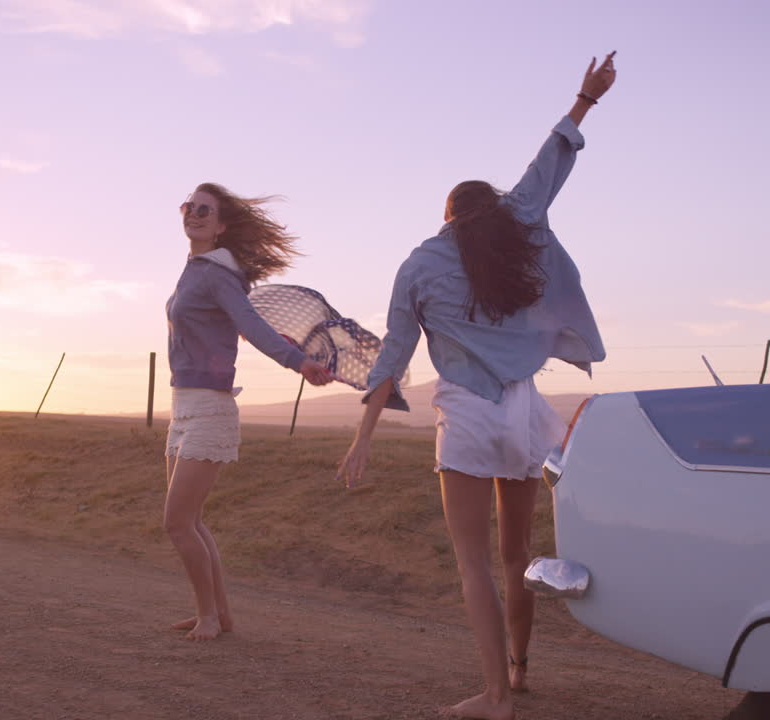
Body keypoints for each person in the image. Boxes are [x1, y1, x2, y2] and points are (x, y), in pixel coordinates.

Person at [337, 54, 617, 719]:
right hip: (526, 411)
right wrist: (586, 96)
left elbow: (394, 358)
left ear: (446, 216)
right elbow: (547, 164)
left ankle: (495, 696)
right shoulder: (516, 227)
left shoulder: (420, 262)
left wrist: (363, 435)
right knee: (516, 552)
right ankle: (518, 672)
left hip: (467, 413)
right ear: (489, 212)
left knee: (472, 563)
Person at [165, 182, 333, 641]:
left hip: (210, 409)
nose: (194, 213)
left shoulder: (218, 274)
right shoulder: (195, 269)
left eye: (205, 210)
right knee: (193, 521)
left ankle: (209, 617)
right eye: (189, 206)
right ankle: (218, 613)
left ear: (220, 226)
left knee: (177, 522)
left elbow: (251, 325)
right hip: (182, 406)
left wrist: (299, 363)